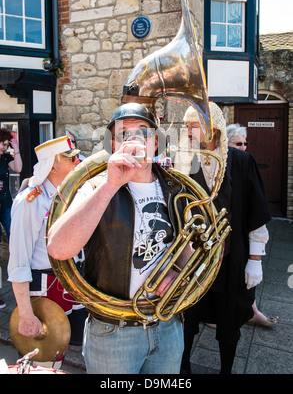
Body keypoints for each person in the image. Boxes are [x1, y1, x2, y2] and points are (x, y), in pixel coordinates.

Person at [47, 103, 187, 375]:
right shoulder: (95, 186)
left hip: (167, 324)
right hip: (113, 331)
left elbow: (188, 247)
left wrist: (179, 272)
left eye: (142, 132)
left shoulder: (175, 187)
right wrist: (111, 184)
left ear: (155, 141)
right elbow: (58, 248)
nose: (134, 140)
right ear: (113, 143)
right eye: (124, 134)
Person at [178, 103, 271, 374]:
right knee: (186, 319)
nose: (188, 131)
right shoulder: (184, 162)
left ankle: (227, 371)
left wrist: (255, 259)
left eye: (194, 125)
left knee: (229, 324)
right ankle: (183, 372)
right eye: (187, 126)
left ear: (212, 127)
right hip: (192, 261)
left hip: (231, 259)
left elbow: (256, 211)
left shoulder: (241, 161)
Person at [8, 136, 87, 368]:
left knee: (74, 346)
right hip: (45, 290)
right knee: (44, 359)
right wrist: (25, 315)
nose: (78, 161)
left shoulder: (71, 194)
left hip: (72, 285)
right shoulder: (30, 202)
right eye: (71, 158)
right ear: (52, 165)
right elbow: (18, 263)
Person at [227, 123, 277, 328]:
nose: (243, 147)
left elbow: (257, 210)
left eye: (245, 143)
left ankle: (251, 311)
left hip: (241, 236)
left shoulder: (246, 163)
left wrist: (256, 257)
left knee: (246, 281)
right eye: (238, 143)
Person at [0, 128, 22, 310]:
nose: (4, 148)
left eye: (6, 145)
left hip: (6, 205)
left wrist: (16, 149)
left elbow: (19, 168)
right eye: (3, 144)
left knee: (14, 241)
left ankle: (18, 286)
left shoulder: (5, 158)